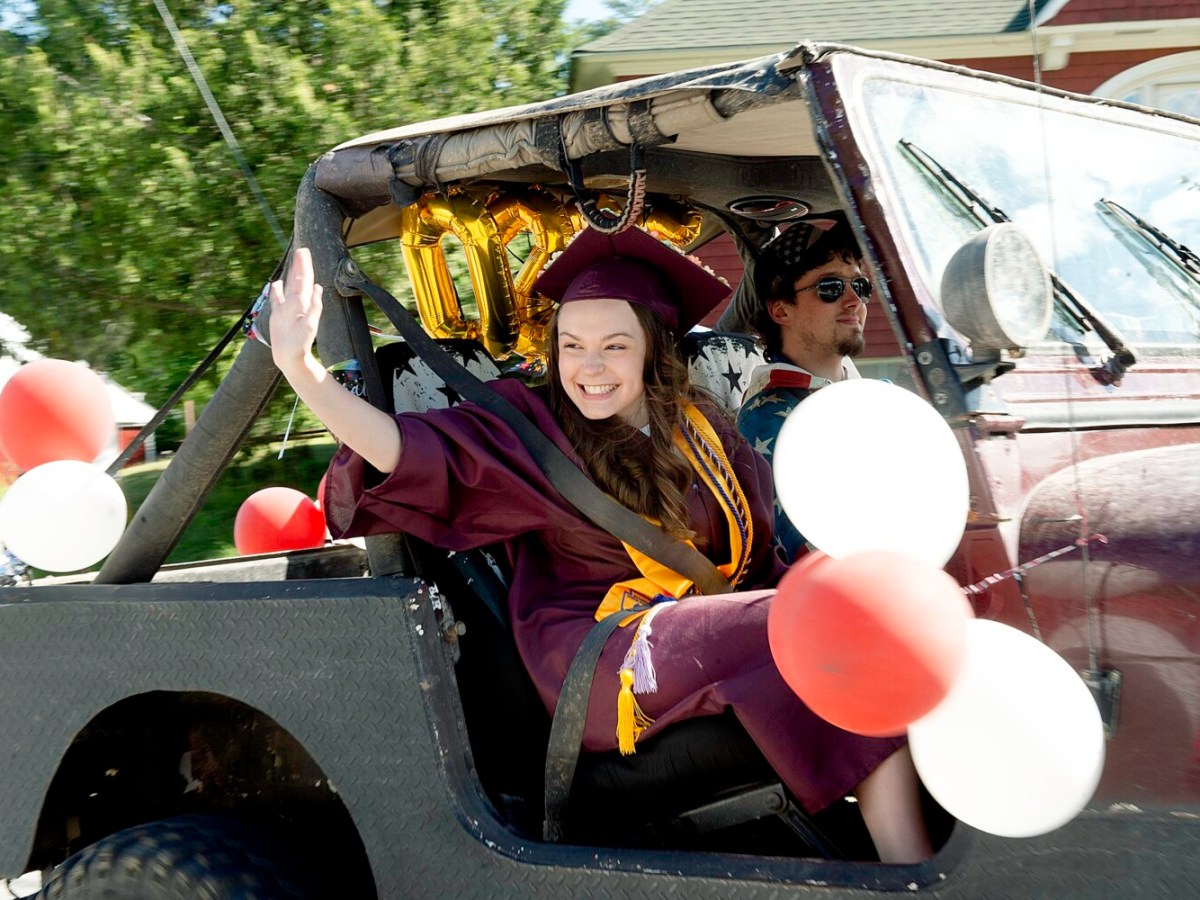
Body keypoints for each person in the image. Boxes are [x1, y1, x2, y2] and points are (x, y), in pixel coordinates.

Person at [268, 225, 931, 863]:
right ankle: (911, 865)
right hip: (604, 658)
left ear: (653, 348)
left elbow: (760, 560)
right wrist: (301, 369)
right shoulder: (534, 430)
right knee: (826, 621)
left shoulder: (704, 431)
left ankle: (917, 847)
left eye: (614, 346)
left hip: (704, 626)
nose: (588, 367)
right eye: (571, 346)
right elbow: (401, 450)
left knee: (868, 605)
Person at [737, 214, 872, 563]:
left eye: (860, 286)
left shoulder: (874, 399)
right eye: (830, 287)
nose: (854, 301)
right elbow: (812, 561)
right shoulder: (769, 420)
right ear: (781, 311)